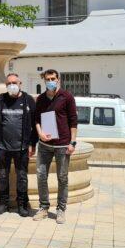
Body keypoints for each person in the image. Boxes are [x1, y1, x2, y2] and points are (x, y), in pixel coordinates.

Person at [0, 73, 38, 217]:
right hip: (2, 147)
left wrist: (33, 144)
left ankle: (22, 204)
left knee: (22, 177)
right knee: (2, 176)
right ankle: (3, 203)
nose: (12, 85)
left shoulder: (28, 100)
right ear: (6, 85)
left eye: (14, 82)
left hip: (22, 148)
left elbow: (35, 123)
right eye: (9, 83)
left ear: (20, 83)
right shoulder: (0, 100)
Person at [33, 69, 78, 224]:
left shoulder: (67, 97)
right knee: (41, 175)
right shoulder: (40, 99)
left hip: (63, 144)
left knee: (62, 177)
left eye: (53, 78)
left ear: (58, 79)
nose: (50, 81)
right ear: (44, 81)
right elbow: (37, 120)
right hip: (44, 144)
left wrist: (73, 142)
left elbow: (73, 120)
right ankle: (44, 207)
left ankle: (61, 209)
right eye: (48, 79)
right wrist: (40, 134)